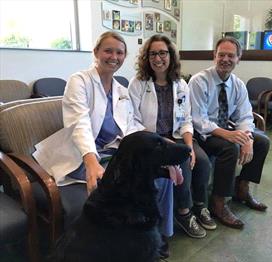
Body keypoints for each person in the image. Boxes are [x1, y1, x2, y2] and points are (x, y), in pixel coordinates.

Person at [32, 31, 173, 258]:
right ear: (96, 52)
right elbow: (79, 123)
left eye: (119, 52)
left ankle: (154, 233)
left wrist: (156, 141)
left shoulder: (120, 89)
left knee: (160, 173)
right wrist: (90, 161)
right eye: (108, 50)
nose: (113, 56)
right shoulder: (79, 81)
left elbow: (130, 126)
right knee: (108, 192)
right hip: (80, 155)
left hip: (111, 153)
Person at [128, 35, 216, 240]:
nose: (158, 58)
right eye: (153, 54)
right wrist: (160, 142)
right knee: (183, 161)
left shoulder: (180, 84)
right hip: (151, 139)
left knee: (201, 161)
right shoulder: (138, 83)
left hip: (176, 136)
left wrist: (189, 146)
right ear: (146, 58)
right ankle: (184, 213)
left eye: (163, 53)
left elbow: (185, 120)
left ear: (171, 56)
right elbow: (133, 119)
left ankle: (201, 207)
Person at [189, 37, 270, 229]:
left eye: (231, 56)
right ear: (214, 56)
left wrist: (248, 139)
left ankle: (242, 187)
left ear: (238, 58)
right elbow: (198, 120)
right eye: (221, 55)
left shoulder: (238, 84)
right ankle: (218, 202)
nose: (225, 59)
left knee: (262, 141)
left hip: (227, 127)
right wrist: (228, 135)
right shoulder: (199, 81)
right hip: (204, 134)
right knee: (230, 148)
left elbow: (245, 116)